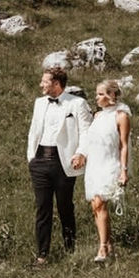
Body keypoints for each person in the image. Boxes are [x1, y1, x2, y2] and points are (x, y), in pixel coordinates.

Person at [26, 66, 93, 265]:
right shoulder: (39, 103)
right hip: (39, 161)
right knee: (42, 208)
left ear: (56, 83)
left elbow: (86, 132)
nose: (41, 84)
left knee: (65, 207)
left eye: (44, 81)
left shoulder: (77, 104)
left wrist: (81, 153)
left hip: (64, 162)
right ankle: (42, 255)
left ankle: (70, 249)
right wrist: (31, 158)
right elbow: (33, 131)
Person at [78, 79, 131, 263]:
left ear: (112, 95)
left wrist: (123, 171)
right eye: (97, 94)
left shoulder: (121, 116)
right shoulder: (98, 117)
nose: (97, 97)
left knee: (100, 203)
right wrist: (82, 155)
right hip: (94, 165)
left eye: (101, 94)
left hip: (110, 163)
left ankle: (102, 248)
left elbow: (124, 146)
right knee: (95, 206)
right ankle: (109, 245)